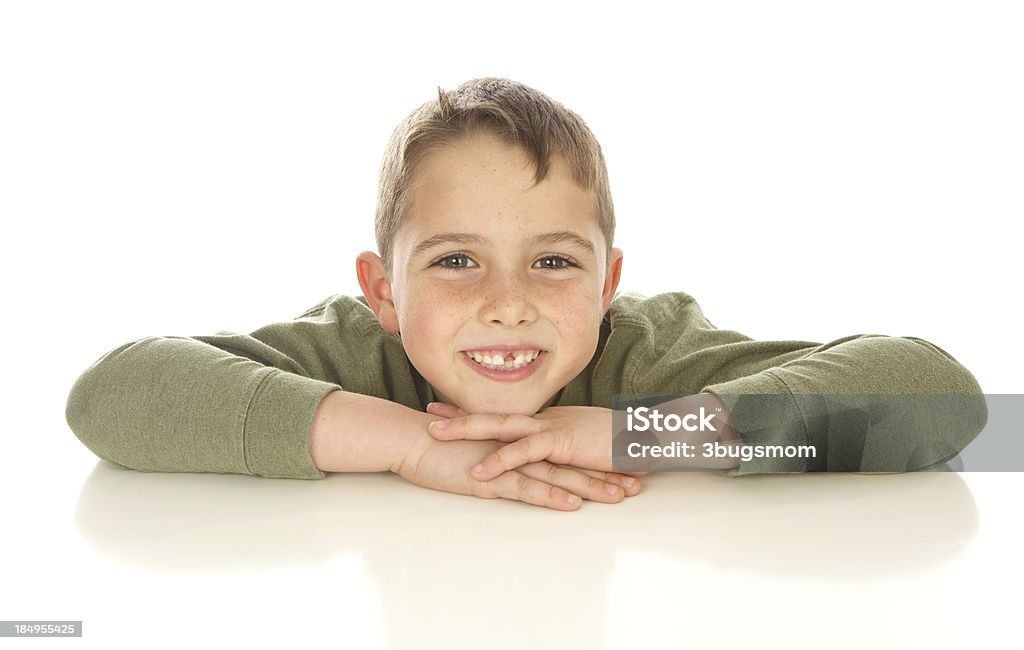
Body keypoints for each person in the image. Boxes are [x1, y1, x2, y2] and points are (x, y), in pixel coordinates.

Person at [65, 77, 987, 511]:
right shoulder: (357, 350)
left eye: (552, 262)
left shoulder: (645, 356)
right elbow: (109, 395)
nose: (509, 303)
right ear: (382, 291)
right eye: (457, 261)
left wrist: (640, 432)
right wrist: (405, 446)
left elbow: (948, 401)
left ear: (608, 284)